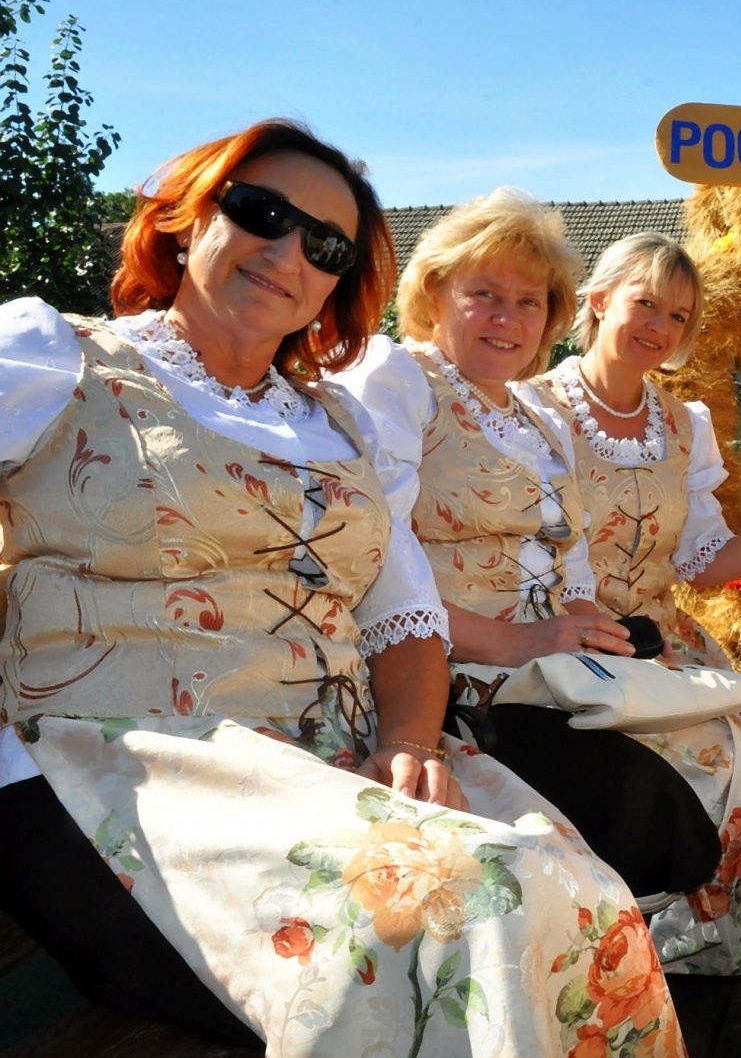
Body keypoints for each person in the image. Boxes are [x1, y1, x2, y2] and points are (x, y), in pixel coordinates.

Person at [0, 123, 686, 1058]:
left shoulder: (336, 423)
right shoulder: (53, 357)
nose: (288, 252)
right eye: (261, 212)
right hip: (123, 764)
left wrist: (408, 742)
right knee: (480, 905)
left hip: (340, 753)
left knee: (579, 890)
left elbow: (402, 622)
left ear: (336, 284)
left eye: (325, 246)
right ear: (189, 215)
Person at [333, 187, 723, 914]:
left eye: (530, 301)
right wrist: (516, 641)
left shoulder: (537, 412)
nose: (508, 318)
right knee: (655, 814)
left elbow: (571, 569)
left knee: (707, 755)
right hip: (445, 676)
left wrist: (587, 639)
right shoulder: (399, 379)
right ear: (434, 291)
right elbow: (376, 567)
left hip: (541, 672)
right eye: (484, 294)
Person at [534, 232, 741, 978]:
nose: (659, 327)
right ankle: (617, 946)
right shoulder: (534, 410)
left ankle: (731, 955)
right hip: (560, 647)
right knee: (703, 760)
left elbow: (700, 560)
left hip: (661, 646)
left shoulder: (683, 424)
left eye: (677, 316)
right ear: (598, 301)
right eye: (645, 304)